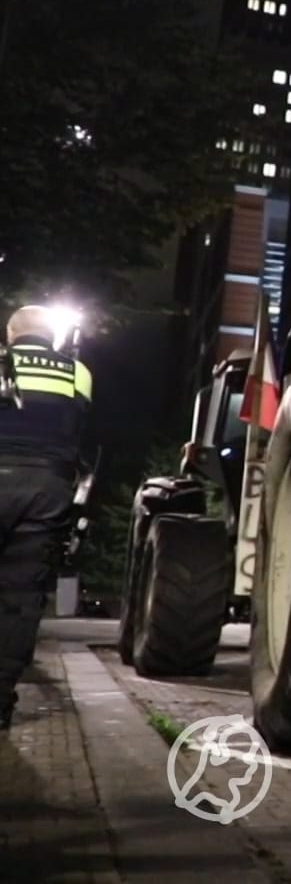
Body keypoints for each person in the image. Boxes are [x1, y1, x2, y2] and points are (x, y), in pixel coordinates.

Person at [0, 305, 93, 731]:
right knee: (21, 598)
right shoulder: (77, 372)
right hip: (46, 488)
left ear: (10, 334)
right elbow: (79, 426)